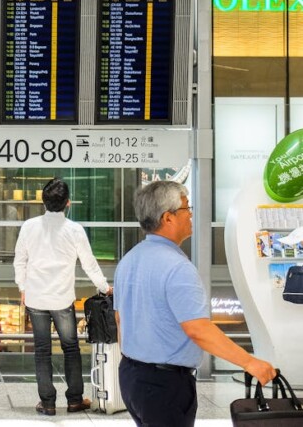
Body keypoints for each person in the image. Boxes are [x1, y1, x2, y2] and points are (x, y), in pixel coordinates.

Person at [114, 181, 276, 426]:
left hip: (131, 376)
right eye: (186, 208)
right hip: (165, 385)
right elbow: (198, 329)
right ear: (168, 218)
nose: (190, 214)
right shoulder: (177, 267)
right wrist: (249, 362)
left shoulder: (130, 259)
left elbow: (119, 319)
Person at [13, 177, 111, 416]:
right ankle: (75, 400)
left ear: (43, 202)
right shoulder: (74, 230)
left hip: (36, 298)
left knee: (42, 350)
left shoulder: (29, 226)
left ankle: (47, 403)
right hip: (62, 299)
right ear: (68, 202)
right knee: (71, 348)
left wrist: (23, 288)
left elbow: (20, 261)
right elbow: (89, 264)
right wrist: (104, 287)